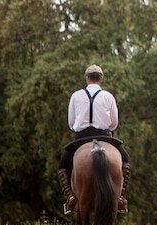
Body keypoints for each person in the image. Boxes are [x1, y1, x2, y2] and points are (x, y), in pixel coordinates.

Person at [56, 64, 132, 214]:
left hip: (81, 137)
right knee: (126, 161)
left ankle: (70, 197)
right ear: (101, 79)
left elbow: (71, 123)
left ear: (86, 78)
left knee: (62, 166)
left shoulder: (76, 96)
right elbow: (114, 123)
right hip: (105, 136)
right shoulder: (108, 96)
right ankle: (121, 198)